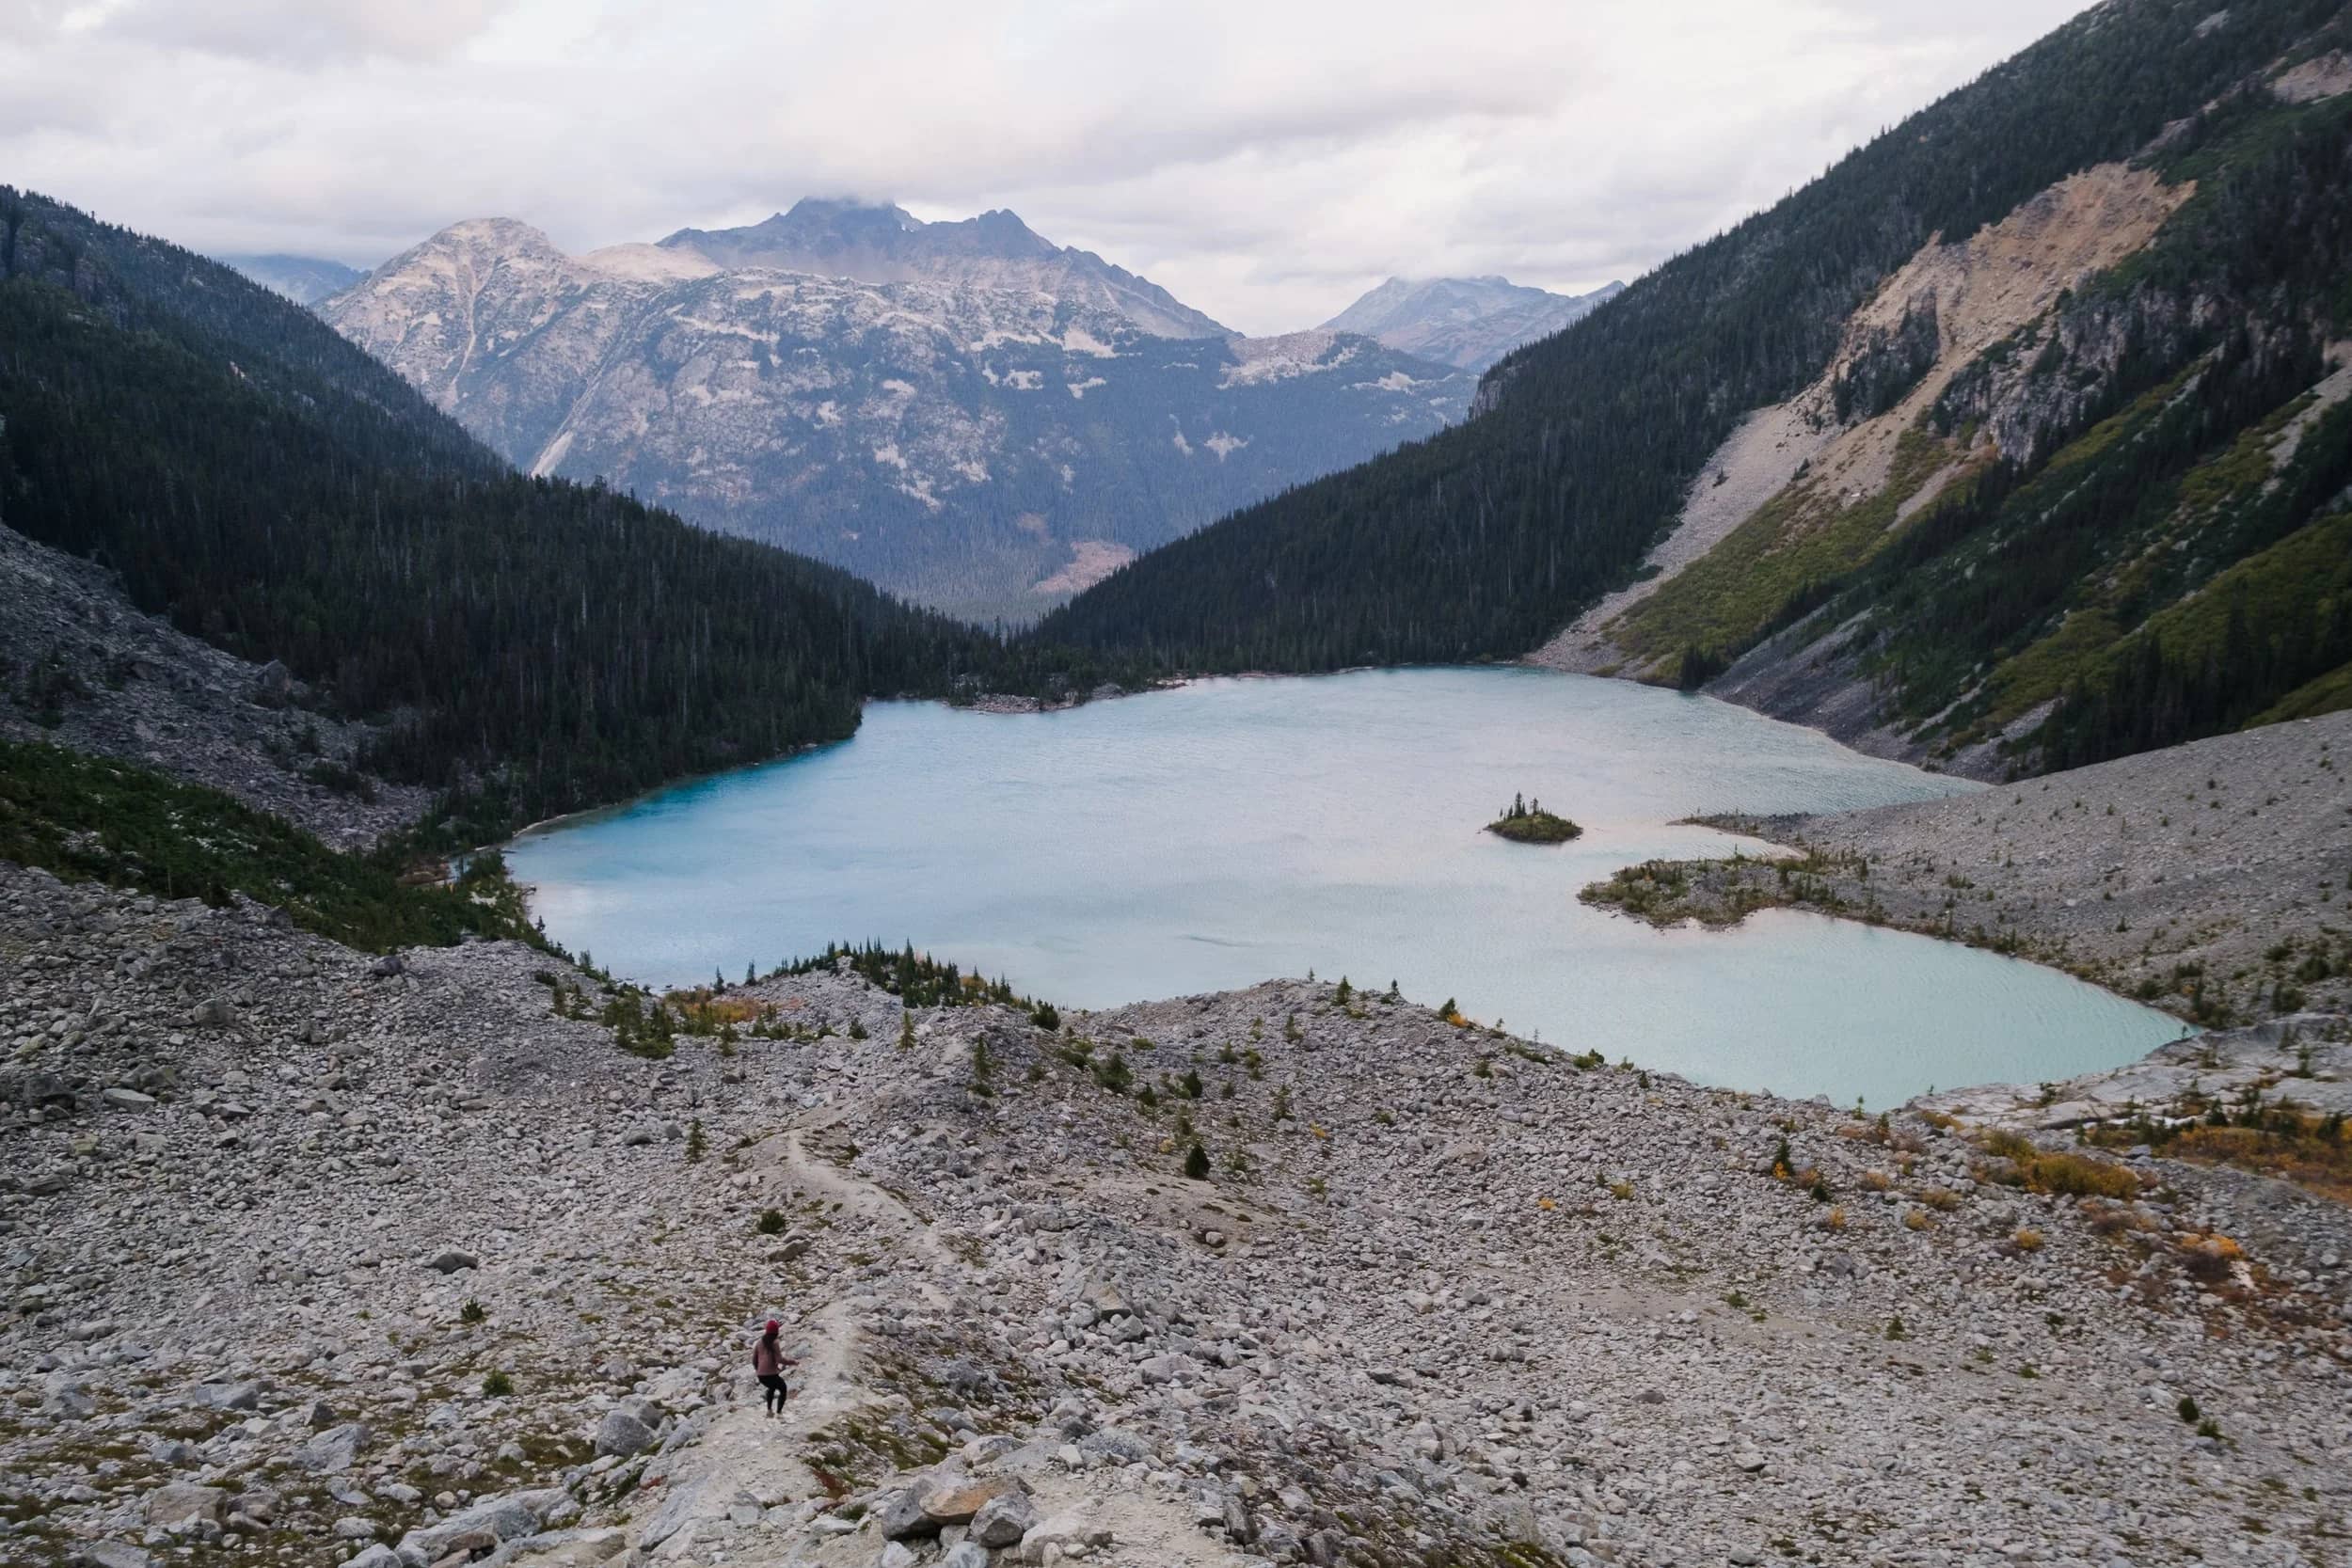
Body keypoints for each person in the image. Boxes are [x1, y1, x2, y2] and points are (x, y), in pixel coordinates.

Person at [753, 1320, 797, 1416]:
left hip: (761, 1376)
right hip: (771, 1374)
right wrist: (792, 1362)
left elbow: (754, 1360)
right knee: (783, 1389)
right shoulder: (775, 1342)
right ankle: (779, 1413)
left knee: (772, 1388)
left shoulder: (759, 1342)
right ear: (776, 1332)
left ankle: (769, 1410)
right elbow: (780, 1359)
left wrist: (758, 1370)